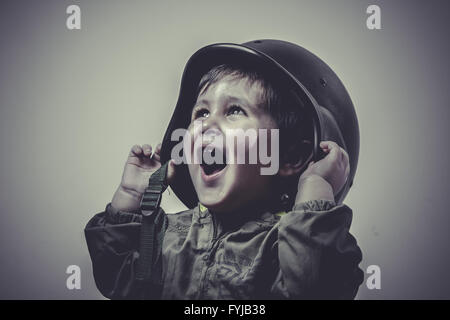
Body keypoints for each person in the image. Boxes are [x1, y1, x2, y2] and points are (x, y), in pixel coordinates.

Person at [85, 40, 364, 299]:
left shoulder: (285, 248)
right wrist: (132, 197)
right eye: (201, 113)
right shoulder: (166, 236)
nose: (206, 124)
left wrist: (316, 186)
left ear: (292, 157)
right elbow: (117, 277)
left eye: (234, 111)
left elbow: (319, 287)